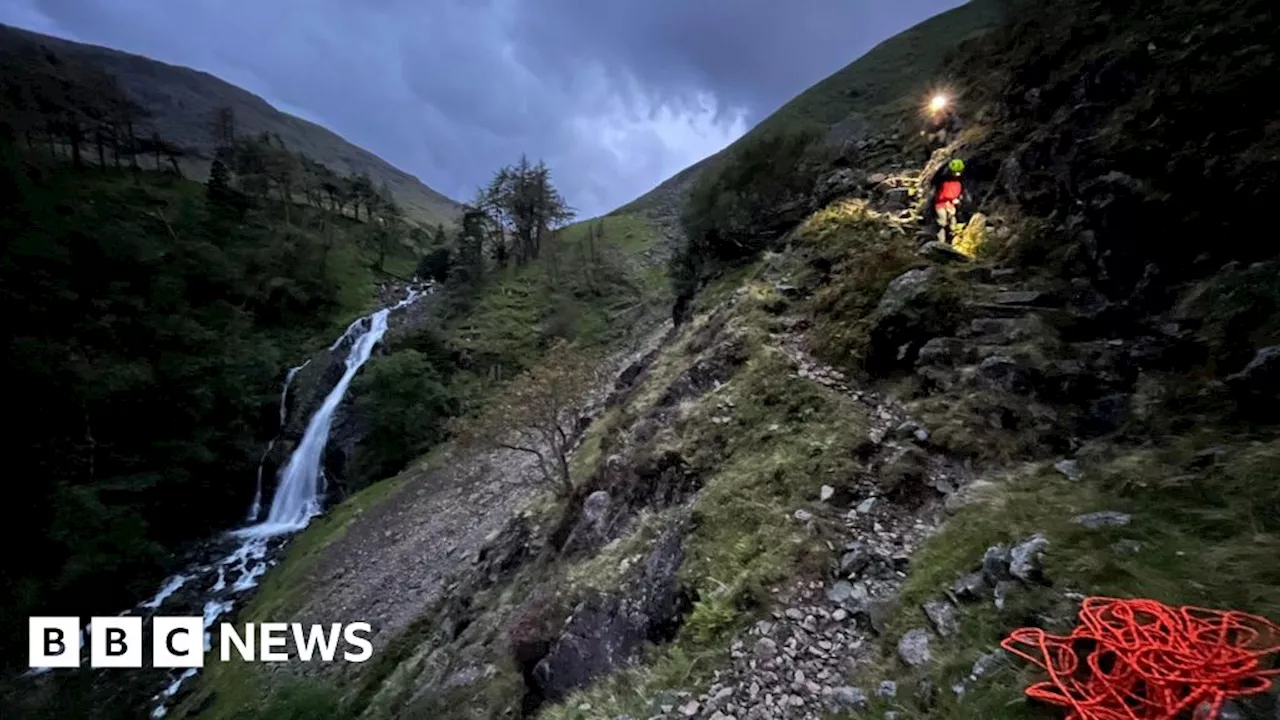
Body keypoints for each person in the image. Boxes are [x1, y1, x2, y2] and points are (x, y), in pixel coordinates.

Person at [931, 158, 968, 244]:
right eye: (955, 172)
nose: (957, 174)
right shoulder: (942, 178)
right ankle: (941, 243)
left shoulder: (961, 179)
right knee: (942, 223)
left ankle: (953, 242)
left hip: (952, 204)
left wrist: (960, 199)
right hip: (941, 204)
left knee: (953, 224)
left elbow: (962, 191)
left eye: (959, 172)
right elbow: (934, 181)